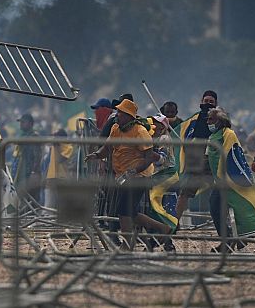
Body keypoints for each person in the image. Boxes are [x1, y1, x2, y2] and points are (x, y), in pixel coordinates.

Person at [86, 99, 174, 250]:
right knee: (130, 212)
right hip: (122, 176)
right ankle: (162, 228)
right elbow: (107, 148)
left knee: (123, 211)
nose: (117, 114)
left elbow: (148, 157)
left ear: (128, 115)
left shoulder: (140, 132)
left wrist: (134, 171)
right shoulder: (115, 128)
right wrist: (96, 155)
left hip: (139, 177)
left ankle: (127, 245)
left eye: (120, 112)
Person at [205, 107, 255, 250]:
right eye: (208, 119)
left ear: (220, 121)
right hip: (219, 180)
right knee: (219, 209)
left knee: (223, 207)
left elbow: (230, 155)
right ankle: (232, 240)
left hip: (229, 180)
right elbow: (209, 157)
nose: (208, 121)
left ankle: (229, 241)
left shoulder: (228, 134)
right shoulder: (213, 136)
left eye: (211, 119)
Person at [175, 90, 218, 225]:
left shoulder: (220, 119)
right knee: (184, 194)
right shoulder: (194, 119)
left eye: (211, 102)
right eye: (206, 101)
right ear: (201, 102)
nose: (208, 104)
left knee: (220, 196)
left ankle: (229, 229)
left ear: (216, 103)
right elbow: (184, 133)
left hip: (214, 160)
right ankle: (173, 225)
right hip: (197, 161)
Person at [144, 115, 180, 243]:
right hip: (161, 176)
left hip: (167, 175)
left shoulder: (164, 138)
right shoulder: (155, 138)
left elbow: (161, 159)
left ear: (163, 126)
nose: (154, 124)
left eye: (157, 123)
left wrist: (148, 153)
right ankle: (165, 241)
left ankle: (165, 233)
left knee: (155, 202)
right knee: (161, 206)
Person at [12, 113, 42, 202]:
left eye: (23, 122)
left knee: (32, 199)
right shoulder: (22, 136)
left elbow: (37, 155)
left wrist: (34, 172)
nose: (21, 124)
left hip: (30, 173)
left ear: (31, 124)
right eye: (20, 122)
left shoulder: (34, 136)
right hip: (22, 173)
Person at [44, 129, 73, 210]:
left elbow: (60, 159)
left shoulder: (69, 147)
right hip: (51, 177)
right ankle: (47, 220)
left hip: (62, 177)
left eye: (56, 136)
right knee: (49, 204)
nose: (54, 138)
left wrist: (57, 146)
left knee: (62, 203)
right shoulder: (54, 146)